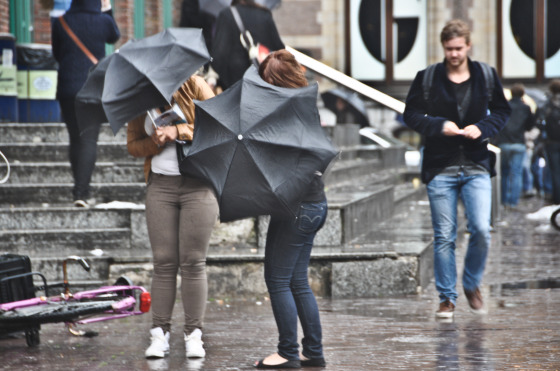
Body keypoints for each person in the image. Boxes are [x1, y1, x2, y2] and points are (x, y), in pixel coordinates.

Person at [403, 19, 511, 318]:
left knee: (480, 229)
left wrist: (482, 127)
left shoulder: (485, 75)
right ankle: (447, 298)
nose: (453, 54)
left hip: (476, 163)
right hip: (441, 167)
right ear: (443, 47)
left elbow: (503, 111)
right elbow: (410, 114)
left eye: (458, 48)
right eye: (449, 49)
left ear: (468, 45)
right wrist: (438, 126)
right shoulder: (428, 77)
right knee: (444, 236)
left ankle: (472, 283)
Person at [126, 75, 219, 359]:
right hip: (160, 187)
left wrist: (178, 131)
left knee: (193, 261)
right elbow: (133, 145)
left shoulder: (196, 87)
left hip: (199, 186)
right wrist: (154, 142)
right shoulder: (140, 98)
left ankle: (194, 334)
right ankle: (159, 333)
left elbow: (220, 129)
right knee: (164, 262)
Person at [253, 49, 327, 369]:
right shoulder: (307, 107)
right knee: (297, 280)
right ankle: (313, 350)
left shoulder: (285, 114)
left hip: (295, 207)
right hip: (314, 204)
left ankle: (287, 352)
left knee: (278, 280)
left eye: (266, 79)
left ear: (276, 81)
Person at [51, 0, 120, 207]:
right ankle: (82, 192)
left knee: (75, 139)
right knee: (88, 140)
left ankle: (78, 189)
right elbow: (114, 35)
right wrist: (108, 10)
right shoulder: (103, 21)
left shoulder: (61, 21)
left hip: (68, 88)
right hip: (93, 88)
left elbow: (57, 54)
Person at [211, 0, 284, 90]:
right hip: (262, 79)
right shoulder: (265, 14)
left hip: (236, 82)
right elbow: (279, 48)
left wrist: (215, 80)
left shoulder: (227, 14)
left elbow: (219, 53)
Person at [494, 83, 535, 208]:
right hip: (518, 142)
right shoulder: (526, 108)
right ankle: (513, 201)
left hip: (504, 142)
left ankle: (504, 200)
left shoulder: (504, 107)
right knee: (516, 173)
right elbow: (529, 126)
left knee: (504, 172)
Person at [536, 79, 560, 205]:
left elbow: (540, 121)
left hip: (552, 142)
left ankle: (557, 198)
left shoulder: (548, 104)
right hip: (552, 142)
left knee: (555, 170)